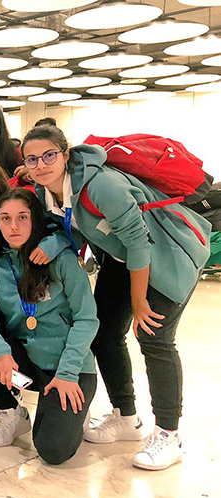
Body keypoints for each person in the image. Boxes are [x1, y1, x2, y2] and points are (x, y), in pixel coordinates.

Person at [23, 124, 211, 470]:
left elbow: (141, 244)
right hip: (123, 260)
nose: (41, 164)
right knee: (106, 333)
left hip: (168, 257)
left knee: (154, 337)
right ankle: (127, 417)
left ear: (66, 154)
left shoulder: (101, 185)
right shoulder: (46, 192)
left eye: (49, 155)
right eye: (32, 159)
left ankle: (169, 434)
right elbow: (68, 229)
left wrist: (140, 303)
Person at [0, 188, 99, 465]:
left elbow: (86, 319)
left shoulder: (62, 259)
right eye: (5, 219)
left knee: (53, 451)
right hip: (26, 368)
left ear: (36, 220)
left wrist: (68, 373)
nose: (13, 226)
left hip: (68, 369)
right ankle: (13, 413)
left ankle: (73, 412)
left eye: (22, 217)